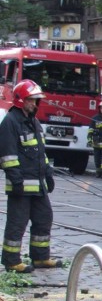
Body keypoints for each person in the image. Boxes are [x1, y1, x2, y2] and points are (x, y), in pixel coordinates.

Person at [0, 80, 62, 273]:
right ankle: (11, 261)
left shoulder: (34, 122)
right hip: (21, 186)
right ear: (21, 100)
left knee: (44, 218)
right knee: (17, 223)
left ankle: (40, 258)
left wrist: (49, 174)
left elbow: (41, 152)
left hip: (38, 186)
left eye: (36, 100)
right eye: (31, 100)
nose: (35, 104)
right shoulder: (10, 122)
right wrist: (16, 180)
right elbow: (7, 156)